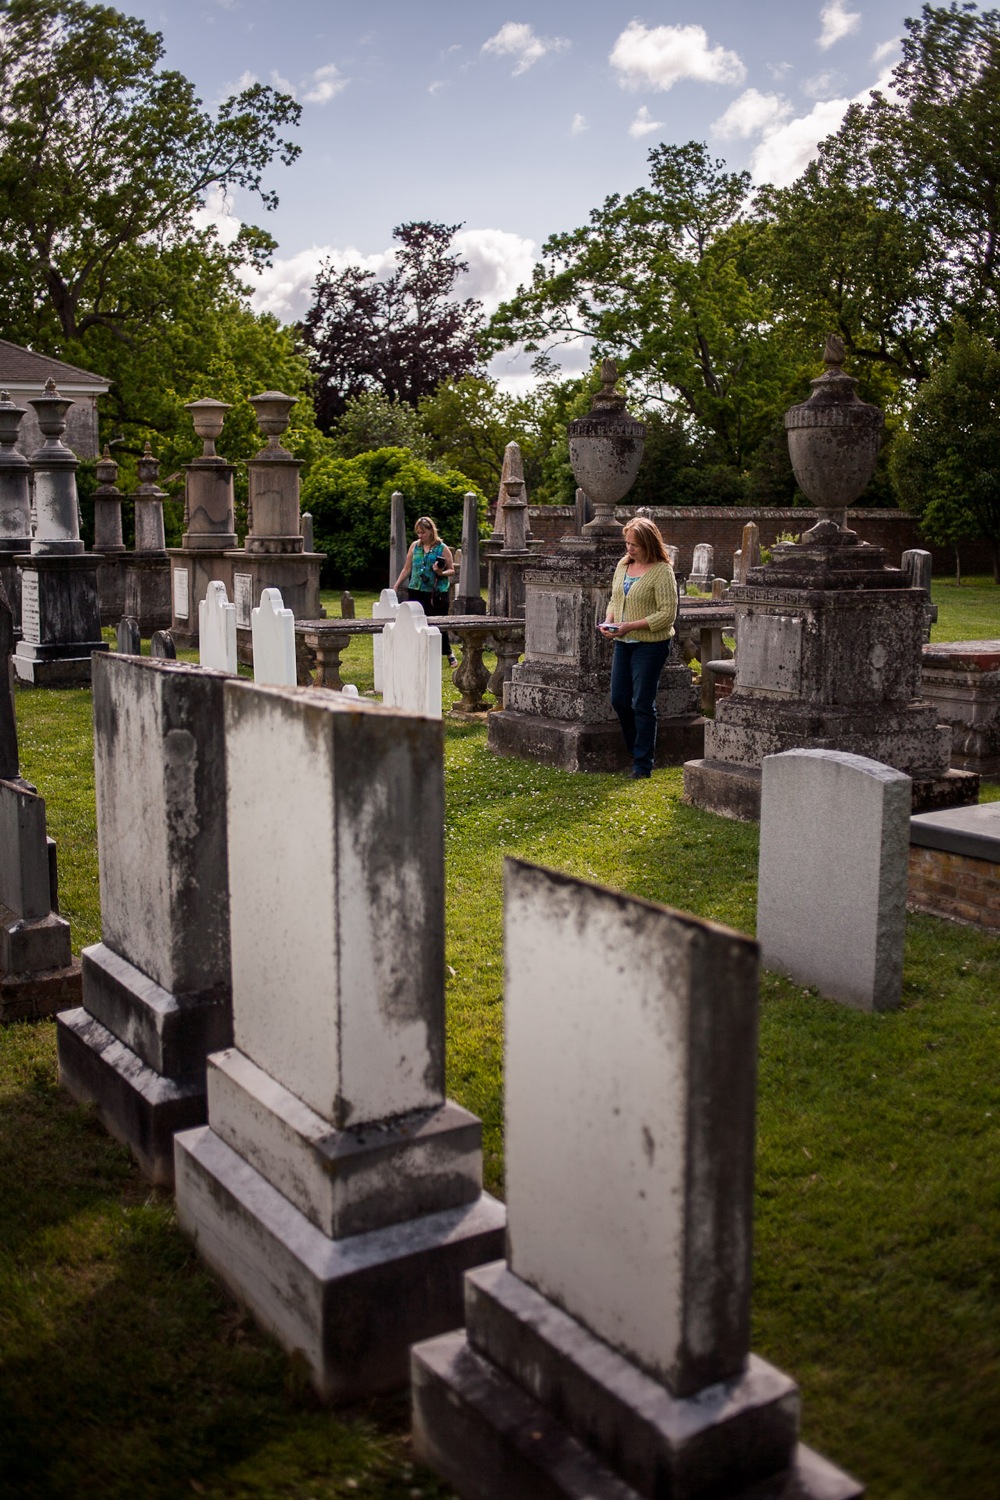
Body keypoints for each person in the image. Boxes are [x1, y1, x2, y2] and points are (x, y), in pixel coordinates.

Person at [598, 516, 678, 779]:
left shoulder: (662, 571)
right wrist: (609, 623)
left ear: (648, 544)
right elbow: (614, 599)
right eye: (627, 543)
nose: (629, 549)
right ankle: (637, 750)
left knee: (642, 702)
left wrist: (630, 626)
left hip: (651, 645)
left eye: (634, 545)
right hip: (623, 642)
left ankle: (643, 764)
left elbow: (667, 615)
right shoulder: (623, 565)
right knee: (619, 700)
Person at [394, 515, 458, 666]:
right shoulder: (415, 546)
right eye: (418, 533)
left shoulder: (442, 548)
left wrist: (440, 572)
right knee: (416, 623)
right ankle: (419, 653)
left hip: (436, 592)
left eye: (423, 532)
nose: (420, 536)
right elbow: (407, 568)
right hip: (416, 589)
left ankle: (448, 652)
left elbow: (452, 570)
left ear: (431, 531)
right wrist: (396, 585)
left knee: (437, 624)